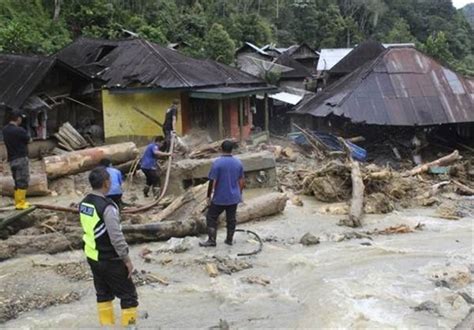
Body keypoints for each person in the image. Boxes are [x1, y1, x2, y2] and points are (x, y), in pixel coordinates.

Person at [79, 167, 138, 327]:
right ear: (106, 183)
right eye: (110, 181)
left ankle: (107, 326)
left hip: (93, 257)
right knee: (129, 296)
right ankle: (129, 326)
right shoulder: (108, 207)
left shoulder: (84, 203)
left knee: (103, 294)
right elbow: (116, 237)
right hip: (110, 259)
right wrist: (127, 260)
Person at [200, 140, 245, 247]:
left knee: (211, 217)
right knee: (231, 219)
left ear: (221, 149)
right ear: (232, 149)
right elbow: (242, 181)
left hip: (220, 197)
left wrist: (208, 196)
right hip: (234, 197)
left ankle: (212, 240)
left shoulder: (217, 163)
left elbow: (212, 181)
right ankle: (229, 240)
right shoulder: (238, 162)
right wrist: (239, 193)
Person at [2, 109, 31, 209]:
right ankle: (21, 203)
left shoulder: (5, 130)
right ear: (18, 118)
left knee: (16, 181)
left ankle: (17, 202)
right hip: (21, 158)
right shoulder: (20, 130)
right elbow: (29, 140)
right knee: (23, 181)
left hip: (11, 159)